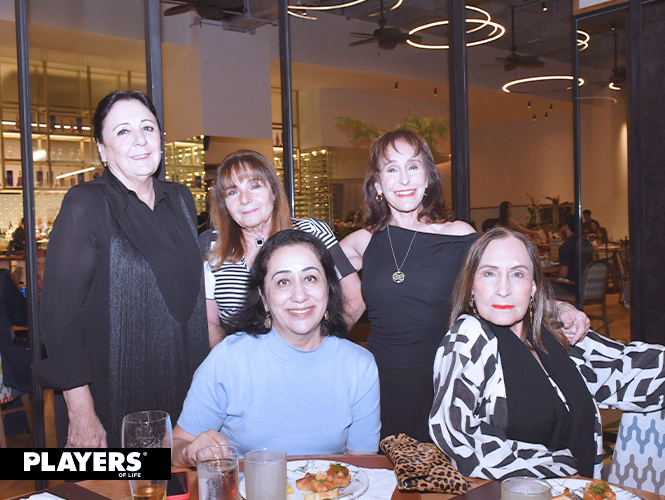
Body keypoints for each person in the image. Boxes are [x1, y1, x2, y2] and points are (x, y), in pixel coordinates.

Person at [340, 130, 589, 443]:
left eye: (413, 166)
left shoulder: (458, 235)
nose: (404, 179)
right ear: (377, 184)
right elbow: (311, 284)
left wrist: (559, 307)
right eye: (392, 169)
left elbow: (505, 283)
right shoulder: (361, 243)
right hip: (379, 385)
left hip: (447, 381)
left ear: (428, 177)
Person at [32, 90, 210, 448]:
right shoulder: (86, 204)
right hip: (113, 395)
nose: (140, 139)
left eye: (148, 127)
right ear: (102, 149)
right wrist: (81, 411)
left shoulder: (181, 199)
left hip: (186, 388)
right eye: (123, 131)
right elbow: (58, 318)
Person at [429, 227, 665, 479]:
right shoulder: (470, 337)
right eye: (489, 273)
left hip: (578, 491)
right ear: (471, 286)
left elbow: (636, 370)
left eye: (517, 274)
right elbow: (454, 432)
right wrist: (556, 468)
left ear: (532, 287)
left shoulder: (552, 335)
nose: (503, 289)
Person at [172, 230, 380, 464]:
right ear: (263, 297)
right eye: (283, 282)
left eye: (310, 278)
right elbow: (173, 447)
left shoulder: (359, 366)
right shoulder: (228, 359)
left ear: (329, 288)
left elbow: (363, 466)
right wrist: (188, 452)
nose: (299, 295)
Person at [203, 150, 363, 346]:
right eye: (232, 192)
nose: (244, 199)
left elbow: (355, 295)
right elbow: (209, 321)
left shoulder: (313, 231)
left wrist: (323, 344)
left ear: (273, 192)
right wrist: (232, 358)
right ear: (224, 204)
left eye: (254, 186)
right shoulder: (212, 246)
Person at [555, 214, 595, 297]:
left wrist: (555, 277)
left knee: (548, 288)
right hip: (591, 287)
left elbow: (563, 273)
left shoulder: (565, 247)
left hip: (573, 288)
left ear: (566, 227)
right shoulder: (588, 243)